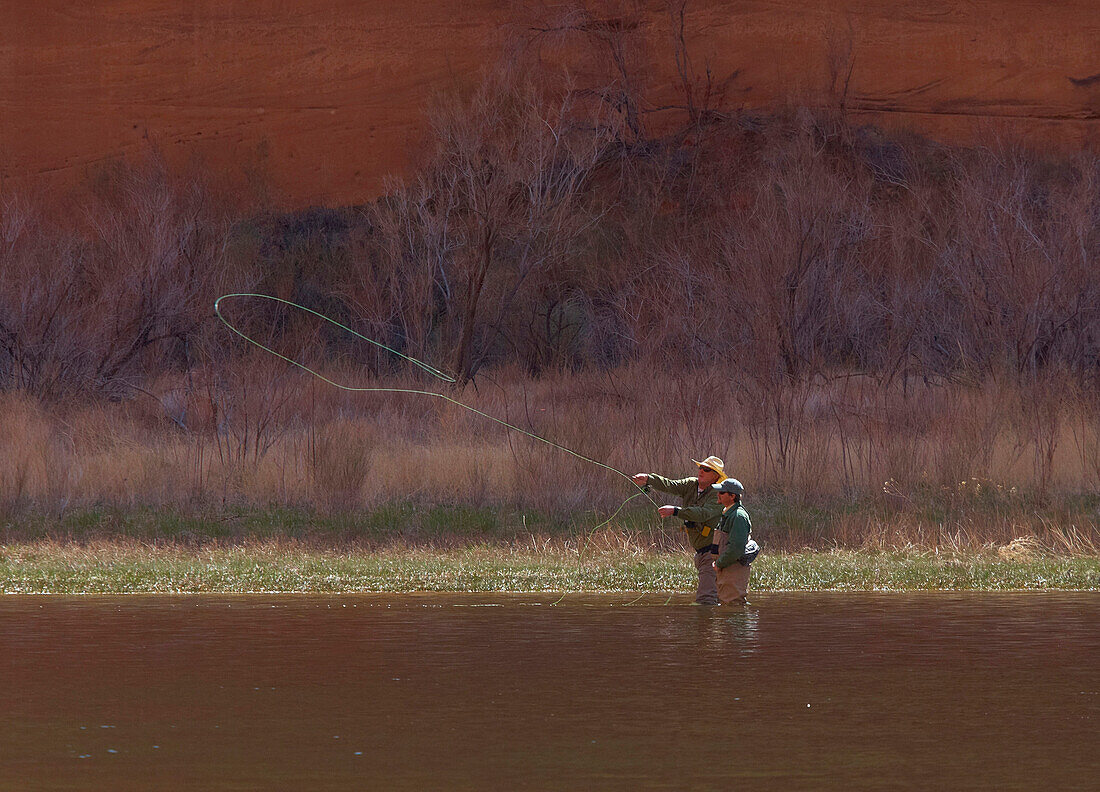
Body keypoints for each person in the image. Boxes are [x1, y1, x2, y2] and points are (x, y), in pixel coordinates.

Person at [632, 456, 726, 605]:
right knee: (718, 598)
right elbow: (670, 485)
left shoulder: (718, 494)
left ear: (716, 476)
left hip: (713, 552)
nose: (701, 471)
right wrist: (649, 479)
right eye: (700, 468)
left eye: (706, 469)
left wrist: (676, 511)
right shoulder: (690, 484)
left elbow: (703, 514)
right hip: (701, 552)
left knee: (706, 600)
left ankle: (706, 627)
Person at [711, 478, 756, 605]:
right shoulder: (728, 513)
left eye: (722, 492)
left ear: (732, 496)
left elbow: (736, 548)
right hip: (726, 568)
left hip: (733, 568)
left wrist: (719, 563)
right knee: (727, 604)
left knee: (733, 604)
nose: (718, 494)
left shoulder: (738, 516)